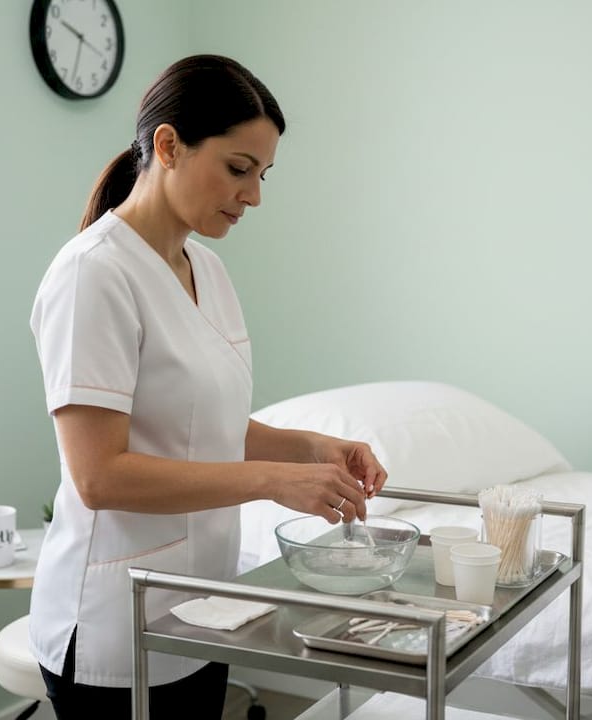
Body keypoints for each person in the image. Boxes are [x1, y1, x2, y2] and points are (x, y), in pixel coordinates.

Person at [28, 54, 388, 718]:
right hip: (114, 623)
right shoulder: (94, 276)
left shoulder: (207, 269)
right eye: (237, 169)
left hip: (199, 611)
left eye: (262, 174)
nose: (253, 195)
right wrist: (272, 483)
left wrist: (311, 449)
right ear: (167, 145)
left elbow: (201, 426)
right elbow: (99, 477)